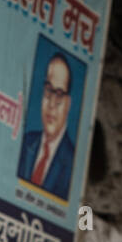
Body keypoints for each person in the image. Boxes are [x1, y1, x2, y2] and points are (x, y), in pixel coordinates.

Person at [17, 53, 76, 199]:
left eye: (59, 94)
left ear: (68, 104)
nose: (51, 104)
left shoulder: (73, 165)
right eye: (49, 90)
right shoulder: (25, 143)